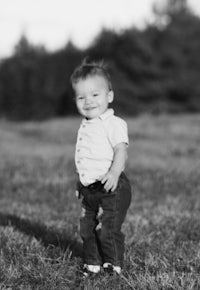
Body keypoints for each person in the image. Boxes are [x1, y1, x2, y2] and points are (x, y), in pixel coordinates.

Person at [70, 58, 132, 278]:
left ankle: (113, 264)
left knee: (106, 229)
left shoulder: (113, 123)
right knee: (86, 228)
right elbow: (86, 158)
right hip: (89, 189)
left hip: (111, 187)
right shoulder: (86, 125)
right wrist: (81, 182)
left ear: (109, 96)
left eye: (95, 95)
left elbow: (121, 150)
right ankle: (92, 262)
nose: (88, 101)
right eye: (81, 97)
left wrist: (115, 173)